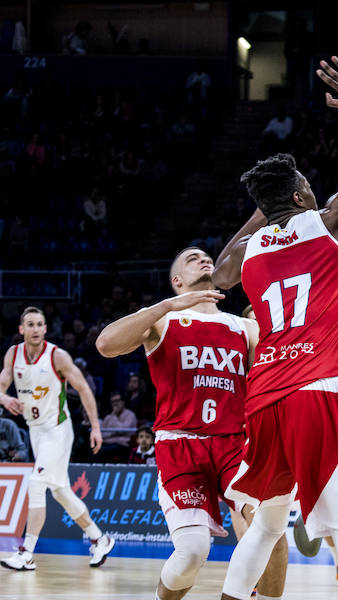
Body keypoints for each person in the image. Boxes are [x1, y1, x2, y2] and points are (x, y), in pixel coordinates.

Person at [211, 56, 338, 600]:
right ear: (302, 196)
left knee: (267, 524)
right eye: (305, 184)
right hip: (315, 391)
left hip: (263, 400)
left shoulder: (248, 251)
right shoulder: (332, 219)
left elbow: (220, 271)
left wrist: (264, 210)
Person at [95, 247, 288, 600]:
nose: (203, 258)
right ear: (177, 281)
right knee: (192, 552)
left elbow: (281, 377)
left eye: (206, 256)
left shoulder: (245, 327)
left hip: (235, 444)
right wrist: (167, 304)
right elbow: (106, 343)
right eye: (190, 257)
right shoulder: (163, 320)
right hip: (180, 445)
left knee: (271, 525)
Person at [0, 307, 114, 571]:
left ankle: (26, 553)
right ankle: (101, 539)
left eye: (40, 324)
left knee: (37, 482)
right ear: (21, 329)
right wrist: (4, 398)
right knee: (61, 491)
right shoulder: (13, 355)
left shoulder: (57, 356)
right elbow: (2, 385)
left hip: (58, 430)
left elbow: (83, 388)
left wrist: (95, 427)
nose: (36, 329)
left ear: (46, 328)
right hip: (35, 430)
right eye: (30, 324)